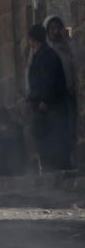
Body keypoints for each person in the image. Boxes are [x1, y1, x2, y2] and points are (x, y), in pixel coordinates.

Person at [27, 24, 72, 171]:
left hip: (50, 106)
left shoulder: (47, 55)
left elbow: (49, 80)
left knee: (53, 140)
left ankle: (57, 170)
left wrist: (44, 100)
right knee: (45, 139)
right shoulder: (42, 55)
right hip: (44, 105)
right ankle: (50, 168)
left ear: (33, 40)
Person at [44, 15, 81, 165]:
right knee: (57, 130)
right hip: (54, 98)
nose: (55, 31)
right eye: (51, 28)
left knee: (71, 127)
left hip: (68, 93)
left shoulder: (66, 46)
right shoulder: (45, 50)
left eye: (57, 28)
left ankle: (71, 158)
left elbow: (80, 57)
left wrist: (69, 40)